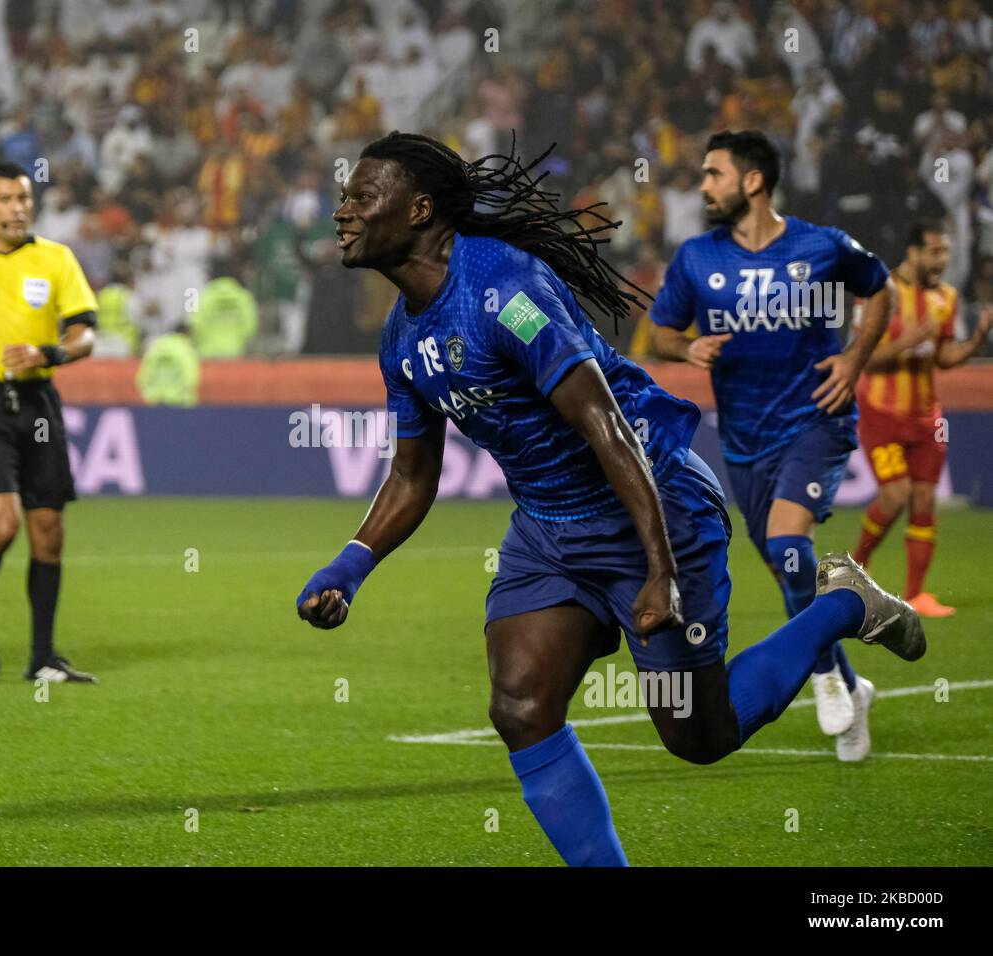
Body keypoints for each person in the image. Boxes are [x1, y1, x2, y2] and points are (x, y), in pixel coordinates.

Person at [294, 132, 925, 866]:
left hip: (651, 506)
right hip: (547, 532)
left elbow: (607, 427)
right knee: (522, 708)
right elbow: (411, 474)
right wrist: (351, 565)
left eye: (363, 196)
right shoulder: (402, 339)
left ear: (420, 211)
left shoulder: (506, 291)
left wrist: (659, 569)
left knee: (700, 736)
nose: (344, 211)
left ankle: (844, 605)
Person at [650, 130, 895, 761]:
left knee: (791, 544)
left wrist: (853, 360)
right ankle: (847, 681)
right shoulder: (696, 259)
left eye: (713, 175)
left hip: (816, 420)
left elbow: (881, 288)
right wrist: (688, 347)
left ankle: (820, 678)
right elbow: (659, 332)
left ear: (753, 181)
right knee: (787, 568)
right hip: (744, 440)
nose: (703, 186)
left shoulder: (821, 246)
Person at [0, 162, 98, 684]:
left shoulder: (56, 259)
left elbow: (86, 335)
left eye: (24, 199)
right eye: (7, 199)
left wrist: (47, 352)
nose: (18, 208)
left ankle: (42, 658)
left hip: (38, 402)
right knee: (3, 523)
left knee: (48, 530)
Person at [852, 221, 993, 615]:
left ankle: (916, 594)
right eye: (934, 252)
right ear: (912, 253)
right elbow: (865, 358)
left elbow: (943, 358)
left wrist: (975, 342)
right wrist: (908, 340)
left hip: (926, 417)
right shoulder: (879, 293)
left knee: (925, 501)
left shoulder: (946, 298)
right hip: (882, 414)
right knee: (895, 496)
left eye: (945, 252)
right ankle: (857, 565)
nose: (942, 260)